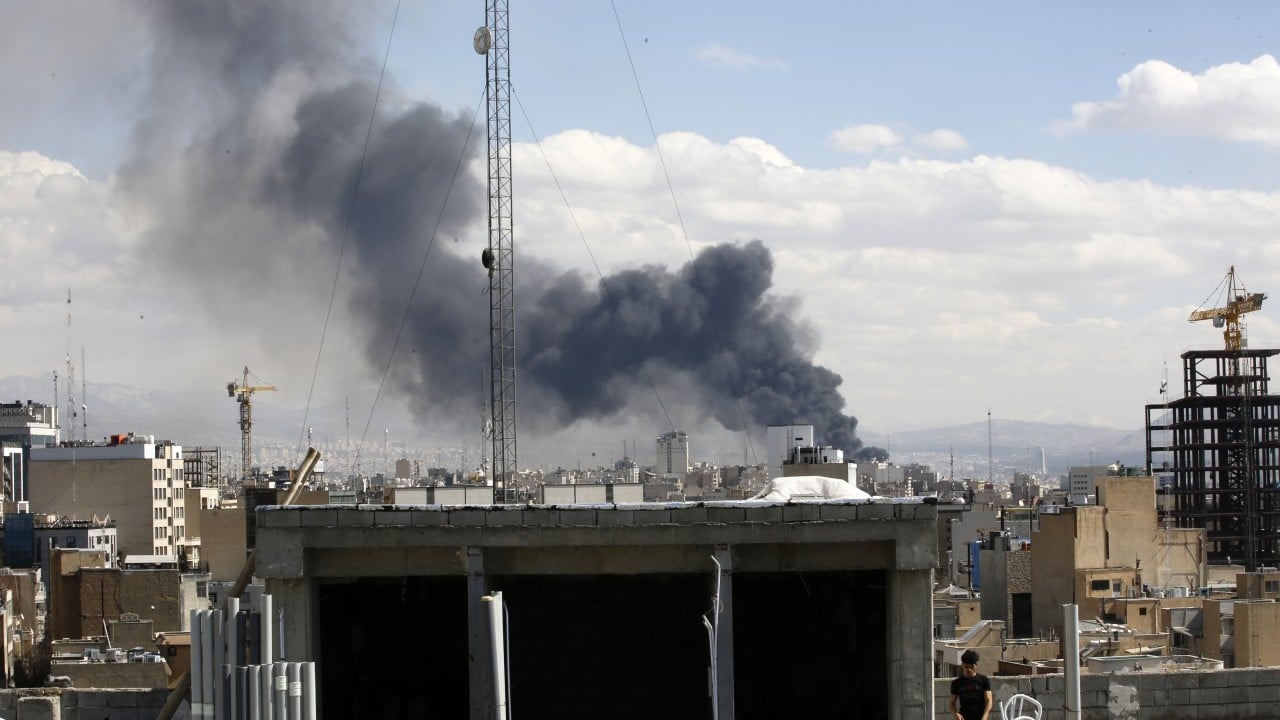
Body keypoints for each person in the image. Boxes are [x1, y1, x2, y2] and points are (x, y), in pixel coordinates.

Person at [949, 649, 992, 720]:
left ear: (976, 665)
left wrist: (985, 717)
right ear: (962, 665)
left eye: (971, 667)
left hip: (980, 716)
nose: (969, 669)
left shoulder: (984, 680)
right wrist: (956, 714)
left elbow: (989, 701)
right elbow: (952, 703)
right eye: (966, 667)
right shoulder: (956, 683)